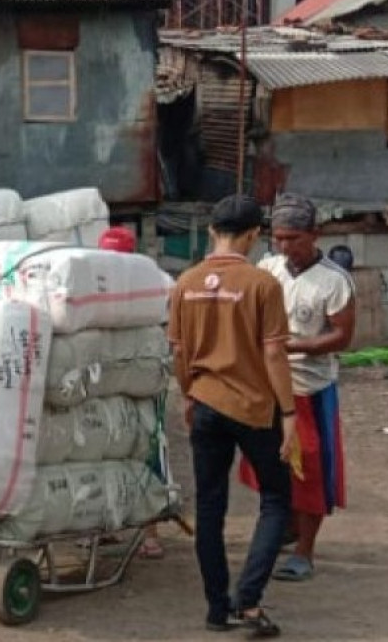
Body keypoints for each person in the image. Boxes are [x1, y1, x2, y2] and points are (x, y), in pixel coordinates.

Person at [168, 195, 298, 637]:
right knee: (278, 501)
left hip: (204, 402)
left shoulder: (185, 282)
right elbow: (275, 352)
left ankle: (215, 608)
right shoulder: (263, 284)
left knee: (209, 507)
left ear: (210, 231)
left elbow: (179, 352)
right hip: (255, 408)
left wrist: (188, 395)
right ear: (254, 235)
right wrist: (290, 412)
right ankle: (249, 600)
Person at [239, 194, 355, 583]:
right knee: (267, 464)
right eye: (279, 238)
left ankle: (304, 552)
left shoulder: (333, 281)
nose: (285, 246)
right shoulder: (268, 268)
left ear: (313, 235)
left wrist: (292, 345)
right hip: (268, 386)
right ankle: (285, 527)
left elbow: (342, 336)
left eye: (293, 238)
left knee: (312, 471)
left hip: (310, 388)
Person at [96, 225, 165, 560]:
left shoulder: (151, 282)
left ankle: (150, 532)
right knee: (103, 450)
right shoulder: (94, 283)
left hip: (142, 383)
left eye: (117, 256)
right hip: (103, 380)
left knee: (146, 450)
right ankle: (105, 526)